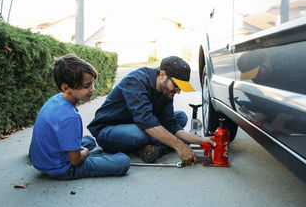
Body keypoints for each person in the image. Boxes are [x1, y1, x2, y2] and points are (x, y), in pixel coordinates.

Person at [87, 56, 215, 165]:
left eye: (180, 88)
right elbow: (146, 121)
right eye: (176, 86)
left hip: (140, 124)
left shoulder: (167, 91)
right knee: (140, 134)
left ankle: (149, 146)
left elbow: (170, 124)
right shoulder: (136, 81)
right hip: (108, 130)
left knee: (181, 117)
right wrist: (180, 145)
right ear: (162, 74)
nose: (178, 91)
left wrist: (198, 139)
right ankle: (152, 145)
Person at [29, 54, 130, 180]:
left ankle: (87, 152)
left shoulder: (55, 100)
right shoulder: (70, 117)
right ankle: (90, 155)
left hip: (42, 161)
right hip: (61, 169)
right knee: (123, 161)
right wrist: (85, 152)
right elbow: (75, 161)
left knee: (89, 142)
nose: (93, 89)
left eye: (92, 83)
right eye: (87, 86)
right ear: (66, 88)